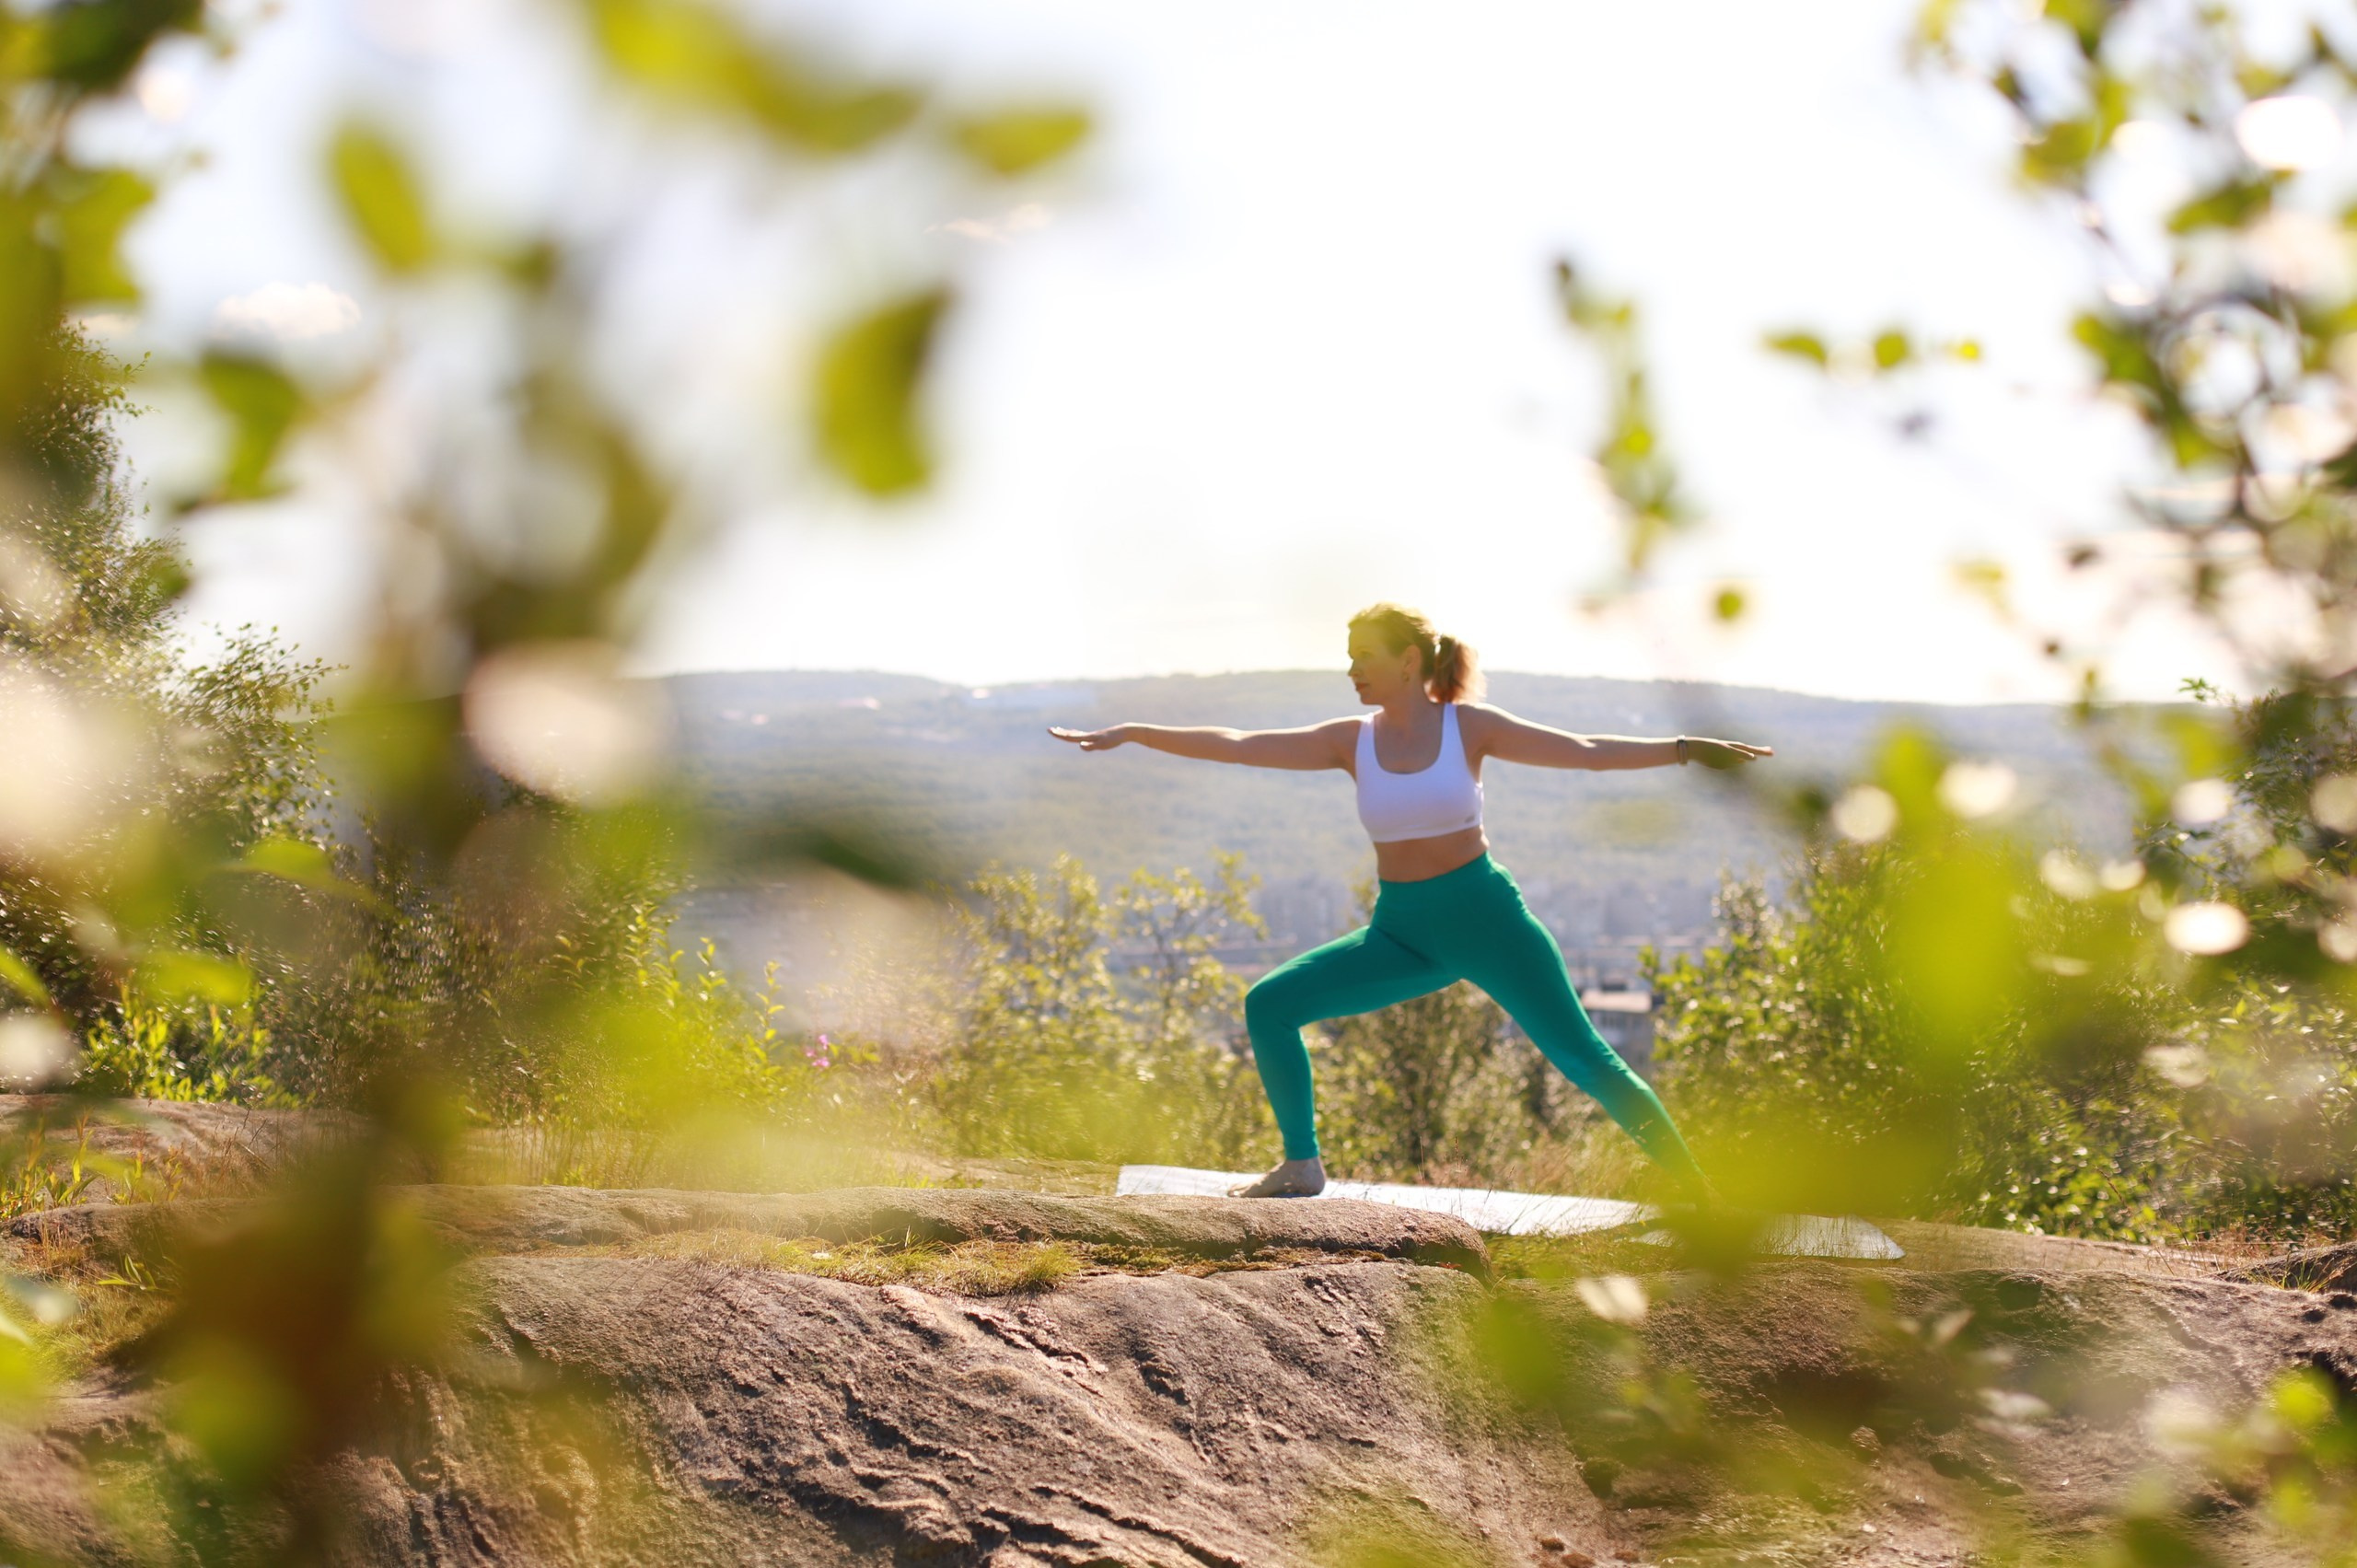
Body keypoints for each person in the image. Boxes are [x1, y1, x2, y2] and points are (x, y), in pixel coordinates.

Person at [1050, 603, 1771, 1199]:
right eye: (1348, 657)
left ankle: (1701, 1197)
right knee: (1269, 1004)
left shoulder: (1470, 725)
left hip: (1489, 921)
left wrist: (1684, 747)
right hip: (1404, 933)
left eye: (1364, 655)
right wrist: (1137, 732)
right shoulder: (1348, 740)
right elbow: (1240, 743)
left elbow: (1583, 748)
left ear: (1409, 660)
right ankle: (1302, 1165)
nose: (1352, 669)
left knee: (1586, 1059)